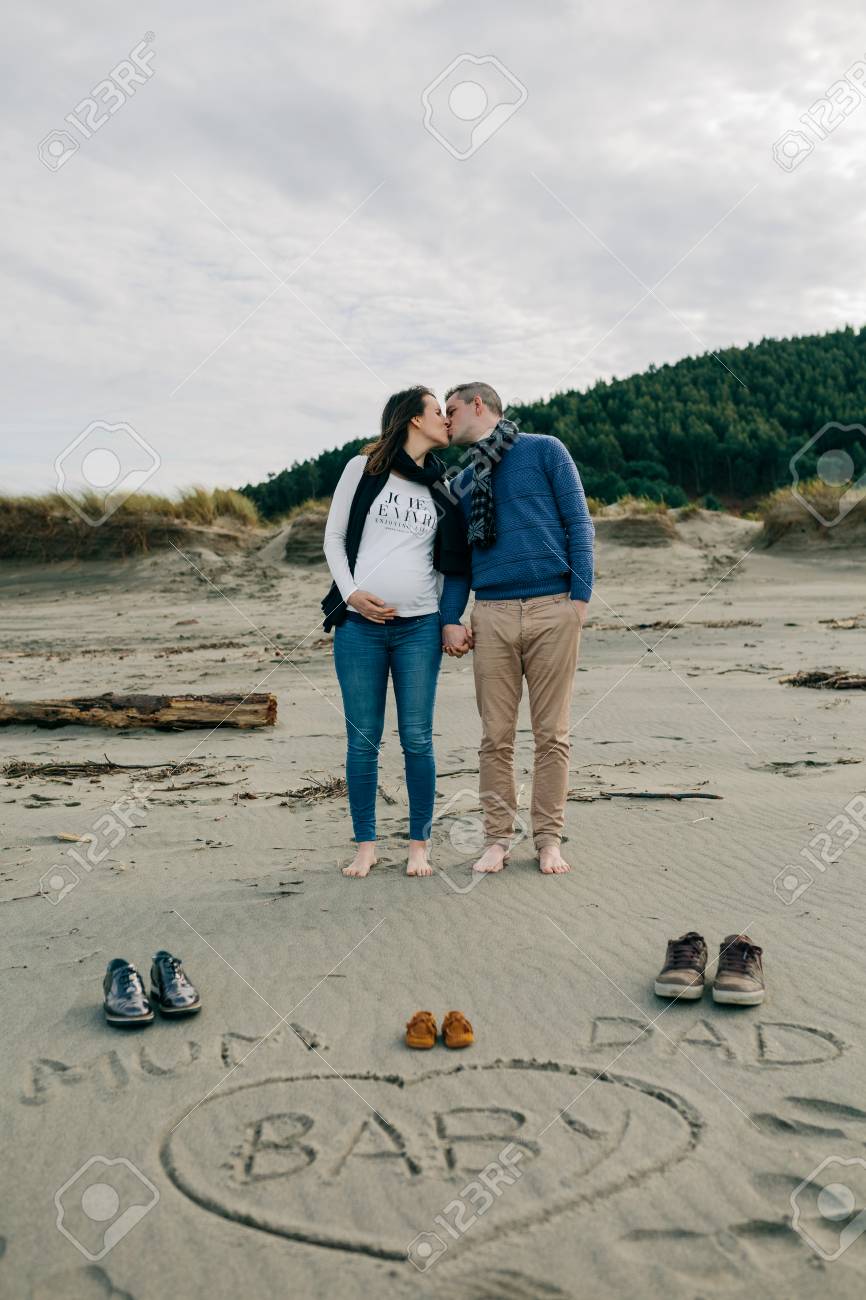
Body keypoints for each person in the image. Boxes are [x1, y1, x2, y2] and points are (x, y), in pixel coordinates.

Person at [439, 382, 594, 875]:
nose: (446, 420)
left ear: (478, 405)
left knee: (552, 735)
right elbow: (459, 563)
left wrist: (580, 599)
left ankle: (548, 840)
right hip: (492, 613)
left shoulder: (545, 450)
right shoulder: (463, 483)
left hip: (555, 607)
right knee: (496, 737)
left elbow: (578, 522)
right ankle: (497, 839)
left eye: (452, 410)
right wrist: (449, 618)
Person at [322, 387, 469, 878]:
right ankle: (366, 844)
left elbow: (449, 564)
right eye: (437, 412)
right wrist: (349, 594)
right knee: (362, 740)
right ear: (412, 420)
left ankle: (418, 844)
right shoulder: (362, 469)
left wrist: (450, 617)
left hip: (419, 629)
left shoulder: (441, 486)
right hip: (360, 628)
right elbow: (335, 539)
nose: (446, 420)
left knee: (418, 739)